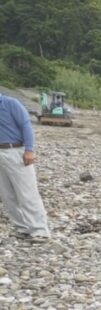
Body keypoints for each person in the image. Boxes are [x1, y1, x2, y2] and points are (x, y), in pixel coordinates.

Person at [0, 91, 50, 242]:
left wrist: (29, 149)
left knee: (27, 192)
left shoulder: (11, 104)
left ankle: (40, 230)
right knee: (7, 195)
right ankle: (21, 228)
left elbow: (26, 125)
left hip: (16, 151)